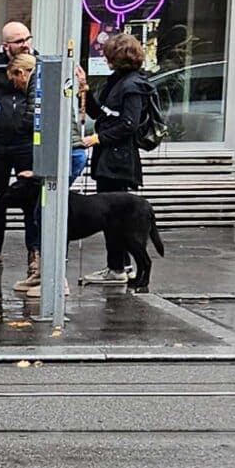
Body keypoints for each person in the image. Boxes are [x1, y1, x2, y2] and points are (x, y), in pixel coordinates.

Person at [81, 31, 163, 287]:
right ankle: (118, 265)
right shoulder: (117, 81)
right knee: (112, 217)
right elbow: (102, 114)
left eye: (108, 55)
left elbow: (128, 124)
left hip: (118, 161)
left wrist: (97, 139)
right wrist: (85, 90)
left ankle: (118, 267)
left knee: (115, 217)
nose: (105, 59)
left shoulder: (133, 86)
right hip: (109, 158)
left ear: (118, 57)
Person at [0, 50, 45, 285]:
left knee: (31, 201)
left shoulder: (36, 71)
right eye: (17, 42)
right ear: (5, 45)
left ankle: (34, 252)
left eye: (25, 41)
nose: (23, 45)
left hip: (23, 142)